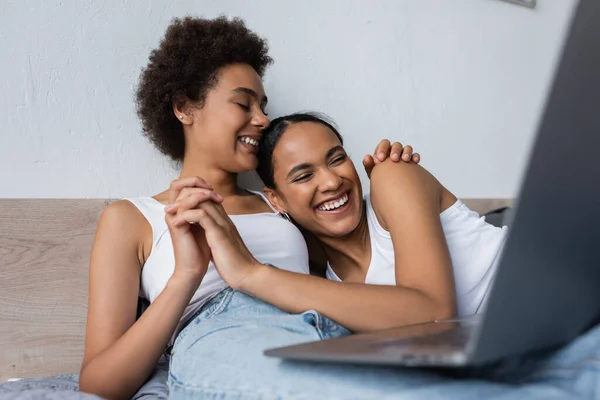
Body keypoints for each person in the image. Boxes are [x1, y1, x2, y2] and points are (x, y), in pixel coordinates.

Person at [77, 17, 415, 400]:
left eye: (263, 105)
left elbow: (360, 271)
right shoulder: (132, 218)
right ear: (184, 108)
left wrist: (393, 180)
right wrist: (186, 276)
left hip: (319, 326)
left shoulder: (282, 203)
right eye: (243, 103)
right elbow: (99, 384)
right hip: (222, 334)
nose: (263, 119)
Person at [164, 113, 600, 399]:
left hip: (570, 308)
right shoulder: (318, 282)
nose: (332, 181)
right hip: (511, 354)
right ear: (276, 200)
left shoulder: (392, 179)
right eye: (304, 175)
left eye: (337, 159)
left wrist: (252, 274)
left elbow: (432, 311)